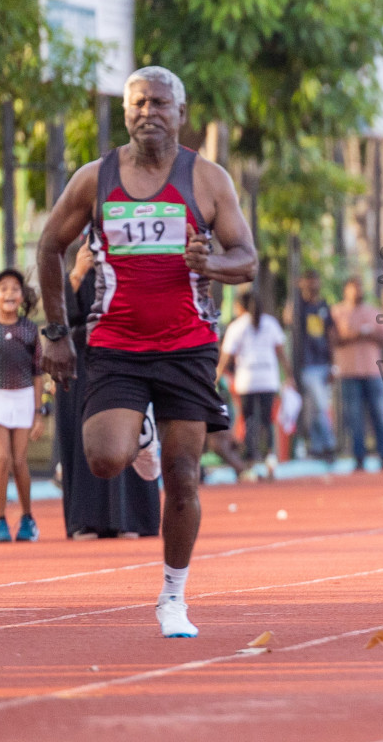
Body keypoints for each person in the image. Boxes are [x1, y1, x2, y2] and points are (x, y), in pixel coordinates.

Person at [36, 66, 257, 639]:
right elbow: (49, 244)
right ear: (125, 112)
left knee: (184, 476)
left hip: (187, 346)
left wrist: (211, 264)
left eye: (160, 103)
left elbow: (247, 259)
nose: (148, 113)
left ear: (181, 113)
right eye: (138, 103)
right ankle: (142, 435)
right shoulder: (95, 178)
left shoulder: (206, 180)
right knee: (104, 459)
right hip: (114, 343)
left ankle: (173, 596)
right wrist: (57, 332)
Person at [55, 242, 160, 539]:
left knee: (129, 436)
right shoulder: (79, 266)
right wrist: (76, 274)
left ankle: (131, 519)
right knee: (85, 439)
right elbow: (56, 319)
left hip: (127, 359)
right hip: (82, 363)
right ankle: (87, 520)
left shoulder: (133, 266)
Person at [0, 269, 45, 543]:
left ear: (22, 296)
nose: (10, 293)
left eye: (15, 288)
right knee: (1, 458)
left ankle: (27, 518)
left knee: (19, 461)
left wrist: (39, 413)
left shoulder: (29, 329)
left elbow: (38, 373)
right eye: (3, 288)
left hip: (24, 396)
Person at [217, 288, 294, 471]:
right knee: (267, 420)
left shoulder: (237, 327)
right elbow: (282, 353)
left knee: (248, 419)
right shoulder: (270, 323)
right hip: (268, 378)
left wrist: (217, 375)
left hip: (247, 379)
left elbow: (226, 356)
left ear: (239, 306)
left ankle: (250, 457)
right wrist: (290, 376)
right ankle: (269, 457)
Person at [332, 276, 383, 472]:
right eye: (353, 288)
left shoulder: (373, 311)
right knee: (354, 417)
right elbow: (334, 339)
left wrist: (370, 334)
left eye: (359, 288)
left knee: (378, 414)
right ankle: (359, 458)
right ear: (346, 290)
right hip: (348, 372)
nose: (357, 292)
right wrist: (356, 335)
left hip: (372, 371)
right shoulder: (337, 313)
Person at [285, 269, 337, 461]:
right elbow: (287, 318)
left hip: (321, 363)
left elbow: (331, 335)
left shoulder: (323, 306)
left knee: (318, 406)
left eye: (314, 280)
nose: (312, 285)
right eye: (308, 281)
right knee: (315, 406)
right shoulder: (298, 305)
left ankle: (323, 445)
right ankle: (324, 444)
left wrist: (333, 364)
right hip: (305, 364)